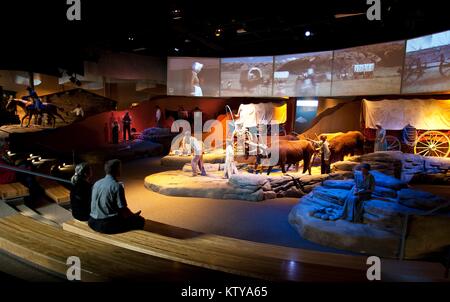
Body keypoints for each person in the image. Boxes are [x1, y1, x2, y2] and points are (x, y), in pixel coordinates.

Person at [88, 159, 145, 234]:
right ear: (117, 169)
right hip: (106, 225)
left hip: (92, 221)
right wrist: (133, 216)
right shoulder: (117, 186)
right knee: (140, 221)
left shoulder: (97, 183)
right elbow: (123, 209)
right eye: (120, 168)